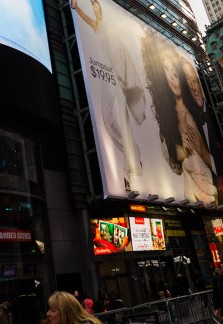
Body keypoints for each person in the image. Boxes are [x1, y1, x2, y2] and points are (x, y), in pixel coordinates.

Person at [71, 0, 146, 191]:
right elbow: (86, 19)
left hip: (119, 76)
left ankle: (128, 171)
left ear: (101, 9)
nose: (95, 9)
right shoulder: (97, 24)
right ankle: (133, 152)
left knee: (123, 120)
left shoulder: (111, 27)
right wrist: (77, 7)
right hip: (106, 73)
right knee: (107, 117)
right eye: (93, 7)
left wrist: (126, 79)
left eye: (97, 6)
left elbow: (124, 54)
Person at [141, 29, 218, 204]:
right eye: (165, 70)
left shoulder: (197, 112)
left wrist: (201, 149)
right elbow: (173, 164)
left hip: (211, 191)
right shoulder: (167, 119)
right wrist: (181, 151)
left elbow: (217, 164)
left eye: (174, 70)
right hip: (189, 195)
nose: (172, 76)